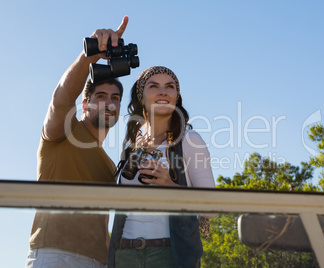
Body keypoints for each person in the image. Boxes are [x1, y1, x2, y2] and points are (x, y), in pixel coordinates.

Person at [26, 16, 129, 268]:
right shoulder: (63, 132)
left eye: (115, 98)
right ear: (85, 104)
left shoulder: (108, 165)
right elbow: (61, 98)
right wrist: (89, 55)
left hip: (99, 262)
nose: (110, 103)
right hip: (54, 255)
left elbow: (102, 225)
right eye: (101, 96)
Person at [108, 66, 216, 268]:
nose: (163, 91)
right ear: (141, 97)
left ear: (176, 96)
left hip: (169, 255)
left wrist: (170, 185)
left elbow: (211, 209)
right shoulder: (131, 148)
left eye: (170, 86)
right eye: (154, 86)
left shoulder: (190, 140)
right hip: (124, 255)